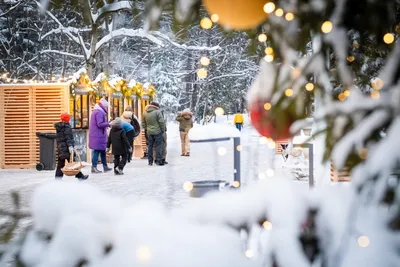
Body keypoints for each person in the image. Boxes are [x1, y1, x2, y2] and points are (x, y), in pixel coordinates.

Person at [54, 113, 88, 180]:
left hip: (61, 148)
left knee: (61, 164)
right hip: (66, 148)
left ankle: (58, 179)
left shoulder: (59, 127)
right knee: (73, 163)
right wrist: (70, 146)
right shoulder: (67, 127)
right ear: (67, 119)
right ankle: (80, 176)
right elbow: (68, 138)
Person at [89, 98, 112, 173]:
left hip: (98, 134)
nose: (107, 108)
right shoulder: (99, 112)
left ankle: (105, 166)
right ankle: (94, 167)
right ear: (103, 106)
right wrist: (109, 124)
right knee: (97, 151)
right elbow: (99, 124)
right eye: (106, 107)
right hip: (98, 135)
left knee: (102, 151)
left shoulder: (96, 111)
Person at [141, 101, 166, 166]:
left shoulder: (145, 113)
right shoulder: (157, 112)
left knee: (150, 146)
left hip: (149, 132)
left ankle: (150, 161)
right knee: (159, 146)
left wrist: (147, 128)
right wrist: (162, 130)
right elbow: (161, 122)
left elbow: (143, 123)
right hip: (158, 132)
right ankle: (158, 160)